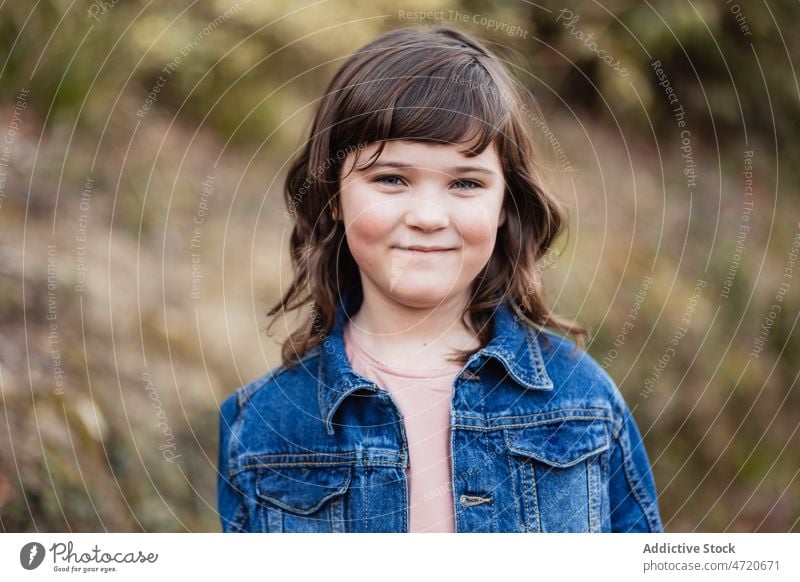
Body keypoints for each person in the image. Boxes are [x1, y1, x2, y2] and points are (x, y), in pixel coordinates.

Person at [217, 25, 663, 533]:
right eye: (391, 179)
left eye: (465, 183)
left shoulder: (583, 401)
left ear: (504, 204)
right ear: (334, 197)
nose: (428, 216)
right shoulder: (262, 424)